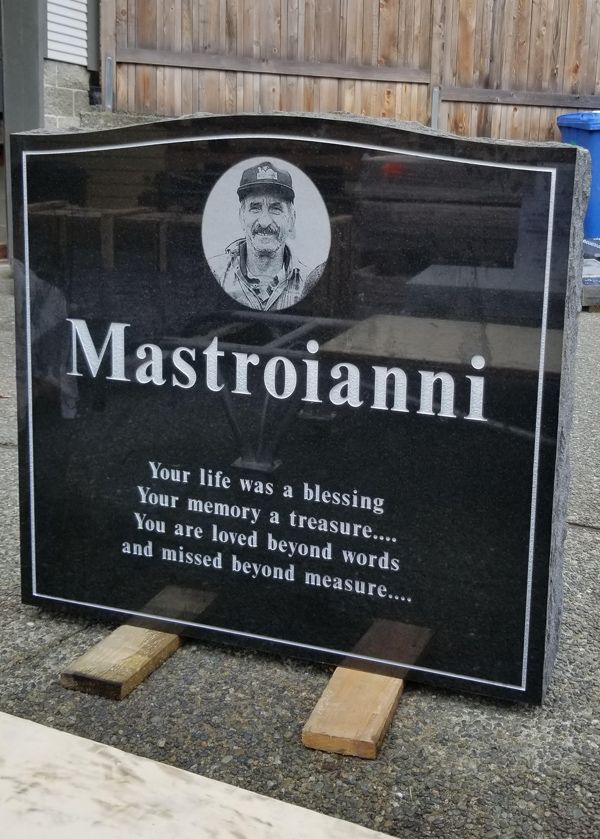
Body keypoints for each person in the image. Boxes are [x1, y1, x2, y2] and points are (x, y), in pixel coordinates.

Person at [208, 161, 325, 310]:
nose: (264, 222)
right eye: (255, 208)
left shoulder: (310, 282)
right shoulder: (214, 274)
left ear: (291, 219)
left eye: (275, 208)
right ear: (241, 217)